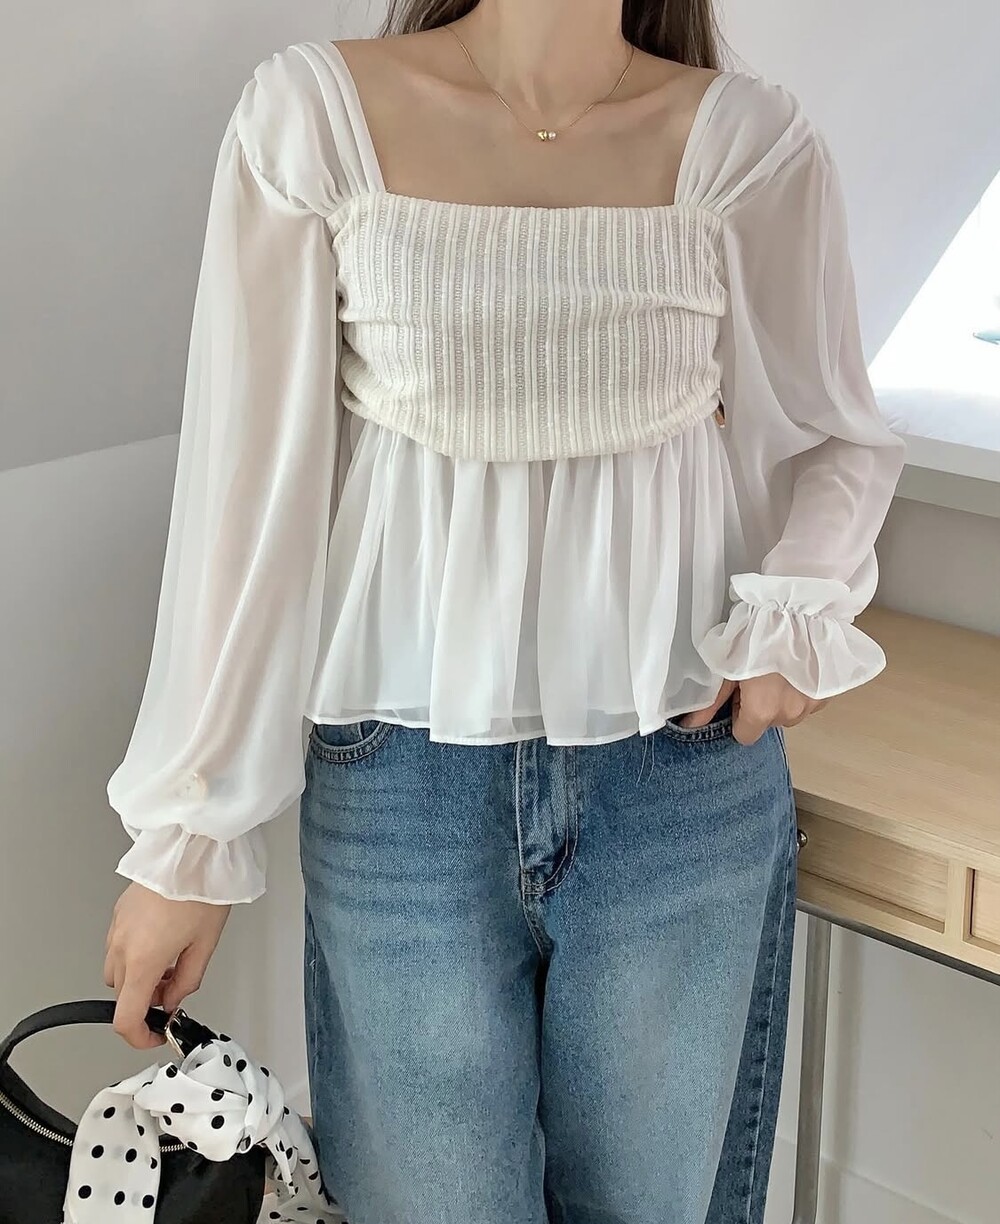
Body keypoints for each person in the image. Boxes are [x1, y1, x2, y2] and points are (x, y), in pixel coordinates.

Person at [102, 3, 907, 1222]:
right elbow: (246, 494)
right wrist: (187, 836)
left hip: (679, 776)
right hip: (399, 791)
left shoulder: (746, 145)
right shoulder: (312, 119)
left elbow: (837, 433)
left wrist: (797, 606)